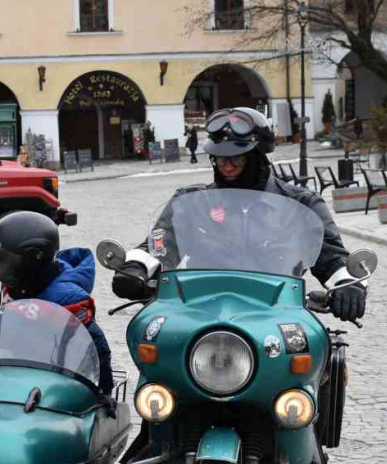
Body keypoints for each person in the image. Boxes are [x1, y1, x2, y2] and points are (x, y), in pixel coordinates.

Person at [112, 106, 366, 324]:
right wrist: (136, 267)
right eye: (219, 158)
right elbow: (158, 244)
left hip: (278, 316)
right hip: (201, 314)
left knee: (321, 361)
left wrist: (349, 285)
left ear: (257, 156)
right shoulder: (191, 203)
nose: (226, 165)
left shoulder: (302, 205)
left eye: (236, 158)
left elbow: (332, 259)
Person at [0, 211, 115, 394]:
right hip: (16, 375)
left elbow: (96, 346)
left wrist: (102, 391)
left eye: (4, 261)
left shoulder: (67, 298)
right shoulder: (17, 283)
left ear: (32, 260)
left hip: (57, 383)